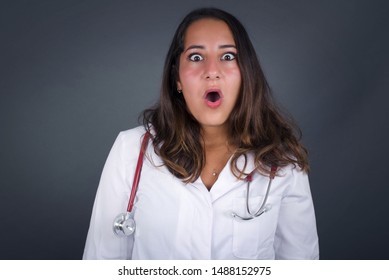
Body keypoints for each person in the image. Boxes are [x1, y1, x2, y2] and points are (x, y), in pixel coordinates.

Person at [83, 7, 319, 260]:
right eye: (196, 57)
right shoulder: (131, 150)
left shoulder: (282, 161)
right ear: (177, 79)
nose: (212, 70)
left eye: (228, 56)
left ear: (246, 73)